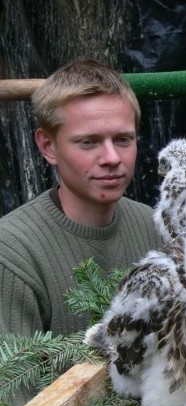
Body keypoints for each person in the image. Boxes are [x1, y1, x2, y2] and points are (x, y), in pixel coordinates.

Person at [0, 59, 162, 336]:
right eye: (88, 142)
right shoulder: (13, 253)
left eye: (123, 139)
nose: (112, 158)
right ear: (48, 146)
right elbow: (16, 377)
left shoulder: (153, 225)